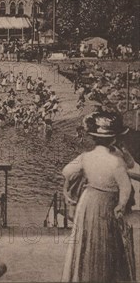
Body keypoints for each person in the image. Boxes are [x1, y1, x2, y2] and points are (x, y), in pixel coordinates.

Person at [61, 111, 135, 282]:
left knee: (86, 242)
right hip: (108, 203)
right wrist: (121, 205)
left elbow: (66, 172)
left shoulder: (85, 157)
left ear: (94, 138)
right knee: (108, 244)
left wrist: (72, 186)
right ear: (114, 139)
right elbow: (126, 187)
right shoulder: (116, 161)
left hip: (88, 201)